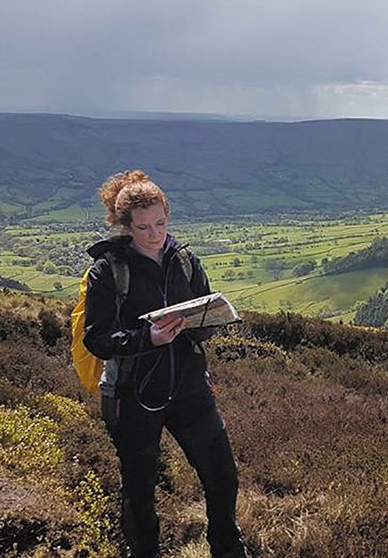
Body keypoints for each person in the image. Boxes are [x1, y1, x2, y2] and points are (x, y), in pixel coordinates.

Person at [83, 170, 249, 558]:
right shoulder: (108, 271)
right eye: (143, 227)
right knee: (139, 490)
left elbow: (203, 317)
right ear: (125, 226)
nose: (154, 233)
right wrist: (149, 339)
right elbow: (97, 338)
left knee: (223, 476)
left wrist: (206, 322)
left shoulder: (185, 262)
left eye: (160, 223)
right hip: (132, 397)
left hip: (189, 390)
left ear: (167, 215)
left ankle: (227, 549)